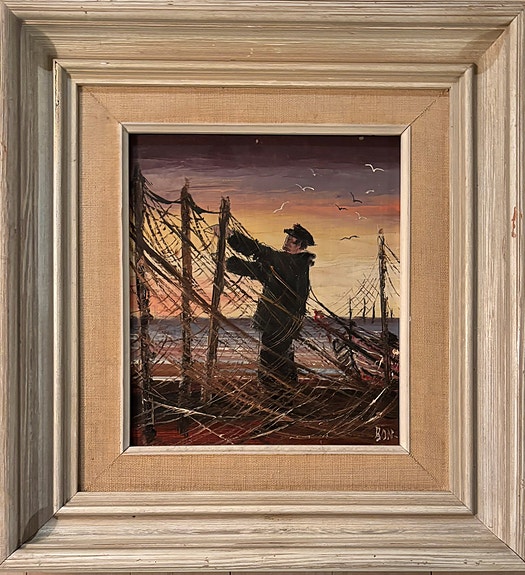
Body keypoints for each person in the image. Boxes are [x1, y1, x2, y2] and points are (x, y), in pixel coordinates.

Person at [224, 223, 316, 392]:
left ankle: (275, 395)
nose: (287, 243)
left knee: (271, 359)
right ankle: (284, 394)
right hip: (281, 322)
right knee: (282, 358)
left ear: (301, 247)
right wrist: (229, 264)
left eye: (292, 241)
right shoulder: (289, 265)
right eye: (287, 239)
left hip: (278, 322)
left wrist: (231, 236)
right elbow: (258, 271)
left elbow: (261, 252)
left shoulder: (292, 263)